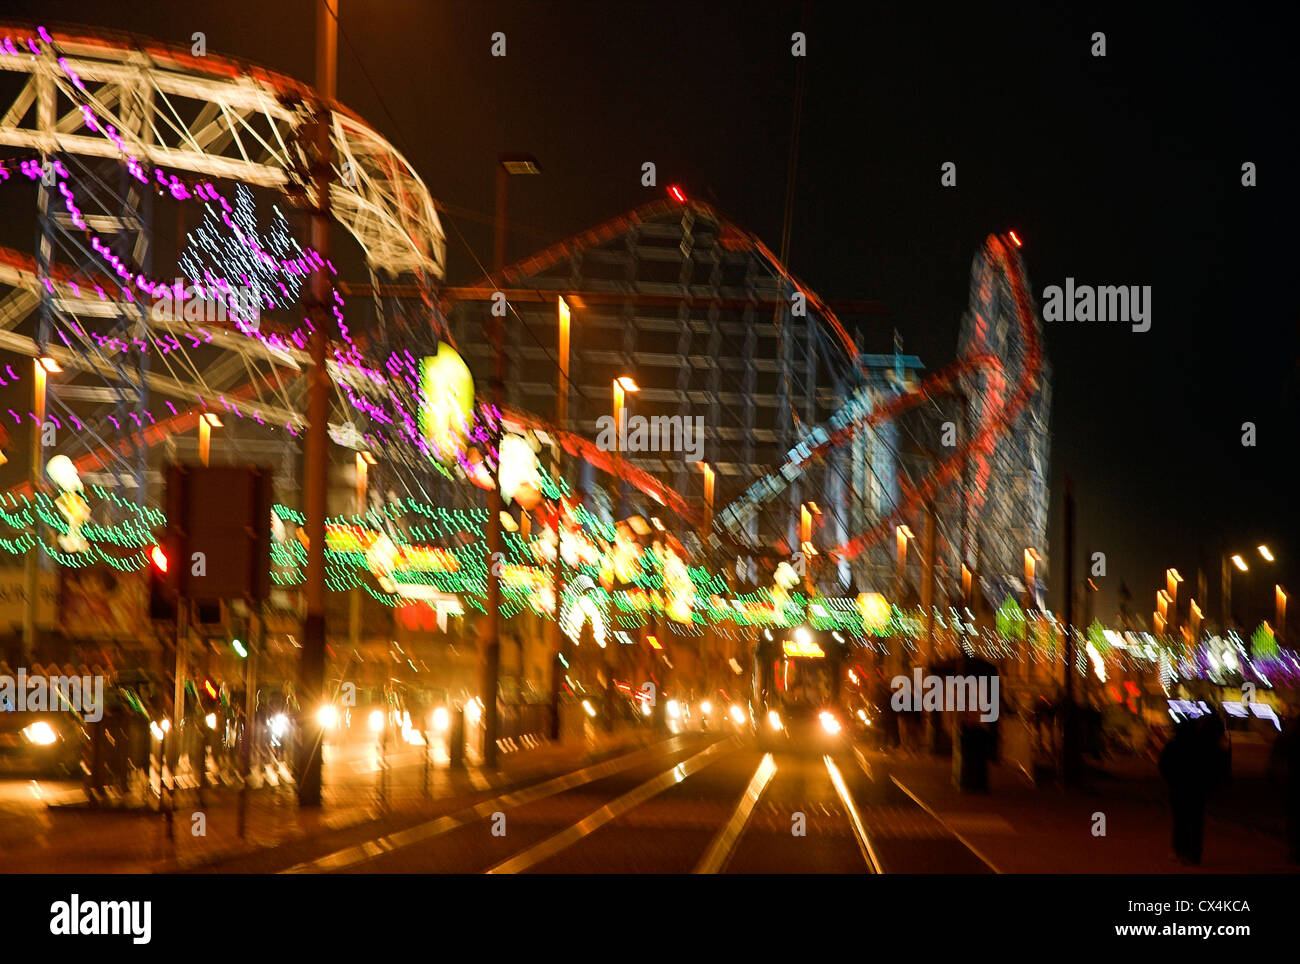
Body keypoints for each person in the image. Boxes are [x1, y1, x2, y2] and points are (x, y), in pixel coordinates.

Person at [1159, 715, 1229, 865]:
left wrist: (1171, 780)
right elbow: (1216, 768)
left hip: (1179, 788)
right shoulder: (1204, 745)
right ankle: (1194, 853)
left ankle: (1180, 850)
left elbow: (1164, 765)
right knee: (1196, 821)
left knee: (1180, 821)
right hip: (1198, 789)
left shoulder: (1175, 744)